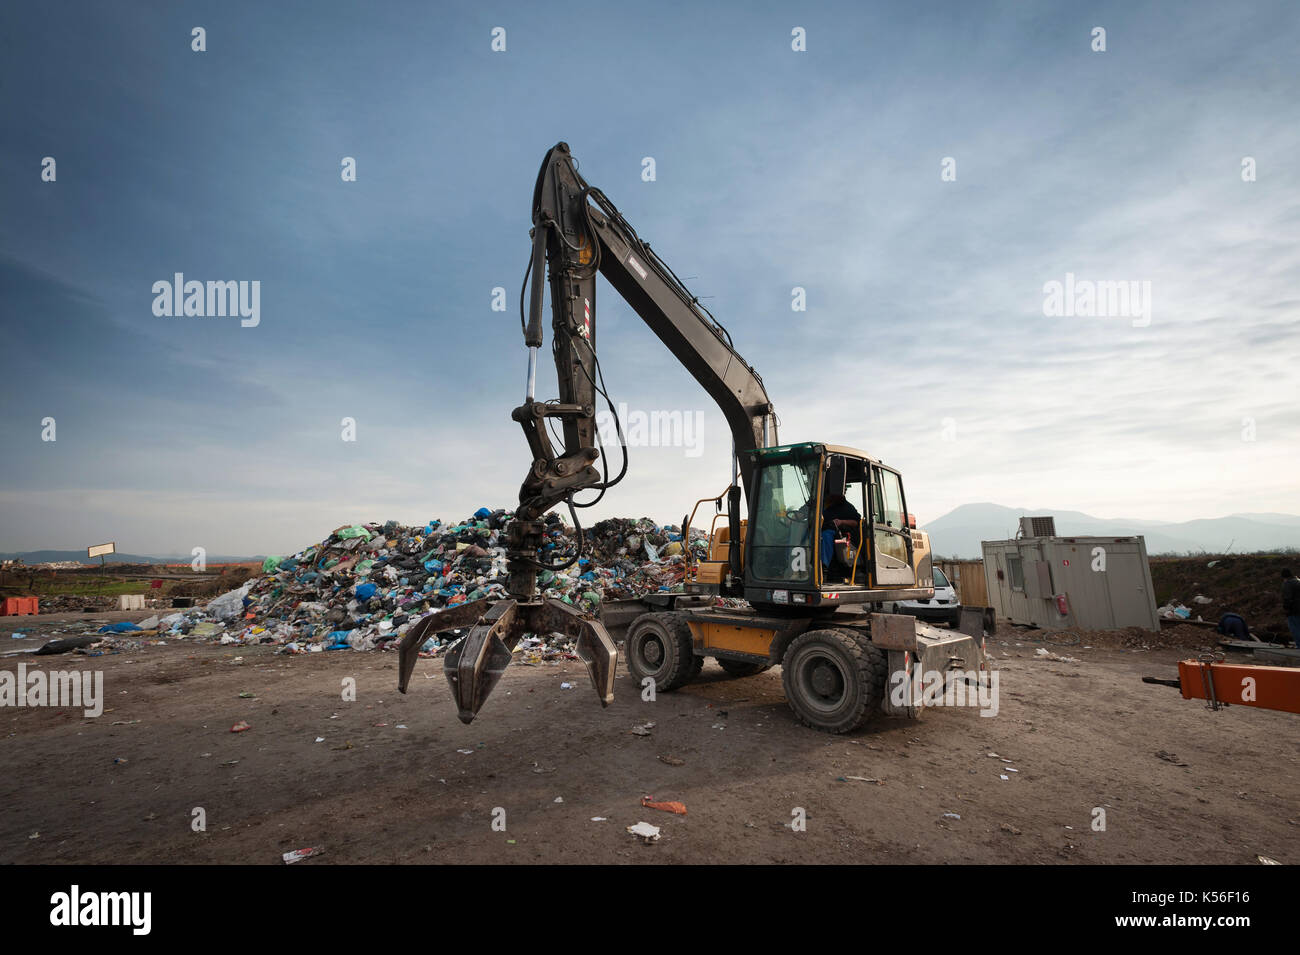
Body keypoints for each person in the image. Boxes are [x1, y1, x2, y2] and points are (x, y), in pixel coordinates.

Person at [1282, 568, 1300, 647]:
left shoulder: (1288, 584)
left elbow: (1287, 598)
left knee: (1295, 629)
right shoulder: (1298, 581)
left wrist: (1286, 608)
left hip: (1294, 610)